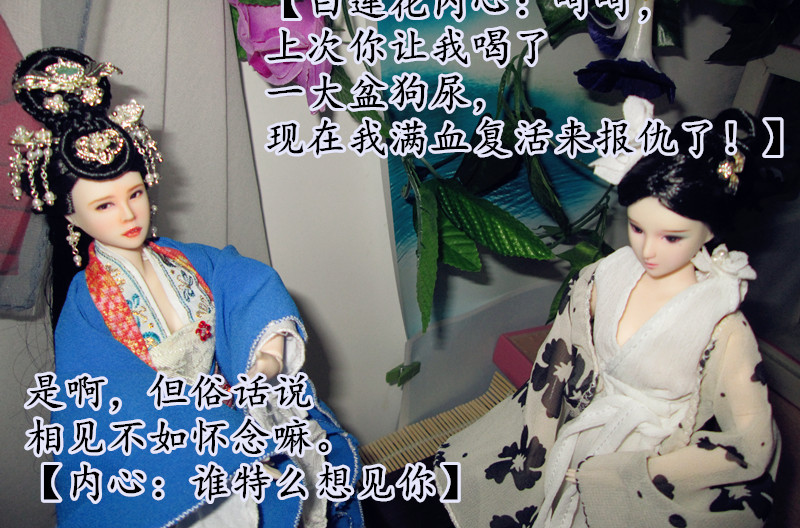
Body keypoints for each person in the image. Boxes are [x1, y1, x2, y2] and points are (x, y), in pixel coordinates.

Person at [11, 47, 363, 528]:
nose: (129, 214)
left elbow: (244, 281)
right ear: (70, 216)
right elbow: (115, 413)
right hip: (178, 462)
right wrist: (223, 436)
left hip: (240, 413)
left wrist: (264, 358)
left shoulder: (184, 260)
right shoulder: (86, 312)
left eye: (135, 193)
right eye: (104, 205)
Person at [434, 97, 780, 527]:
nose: (648, 249)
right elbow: (558, 355)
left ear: (710, 230)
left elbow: (749, 441)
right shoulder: (608, 273)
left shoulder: (721, 323)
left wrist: (633, 471)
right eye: (637, 227)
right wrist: (543, 432)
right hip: (583, 421)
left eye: (672, 237)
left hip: (650, 457)